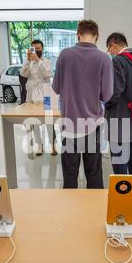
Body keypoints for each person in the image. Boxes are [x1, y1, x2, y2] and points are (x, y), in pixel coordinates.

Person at [52, 20, 113, 188]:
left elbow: (56, 88)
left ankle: (70, 211)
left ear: (77, 34)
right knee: (94, 173)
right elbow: (107, 96)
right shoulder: (104, 58)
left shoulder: (65, 55)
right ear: (97, 36)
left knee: (70, 174)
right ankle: (94, 211)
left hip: (69, 124)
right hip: (93, 125)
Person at [105, 32, 132, 176]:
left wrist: (107, 105)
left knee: (119, 158)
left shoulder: (118, 61)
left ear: (113, 45)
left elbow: (115, 91)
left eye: (109, 50)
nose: (110, 53)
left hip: (119, 117)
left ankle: (122, 192)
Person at [20, 39, 57, 156]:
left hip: (45, 96)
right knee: (34, 121)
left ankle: (53, 145)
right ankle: (39, 146)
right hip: (31, 96)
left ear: (42, 49)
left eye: (38, 49)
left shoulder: (46, 61)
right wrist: (28, 60)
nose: (36, 50)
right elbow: (23, 74)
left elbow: (49, 73)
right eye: (33, 48)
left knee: (49, 121)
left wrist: (38, 61)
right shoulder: (28, 62)